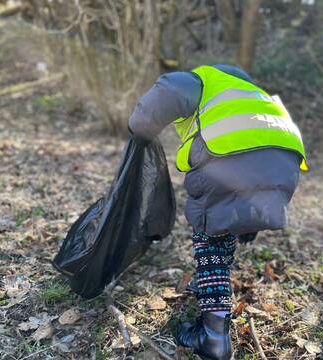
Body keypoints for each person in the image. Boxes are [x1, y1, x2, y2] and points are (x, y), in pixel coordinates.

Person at [128, 64, 307, 359]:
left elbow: (165, 94)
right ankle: (211, 280)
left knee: (210, 233)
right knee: (227, 219)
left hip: (229, 163)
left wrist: (138, 130)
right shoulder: (254, 93)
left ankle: (213, 336)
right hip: (284, 170)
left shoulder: (202, 79)